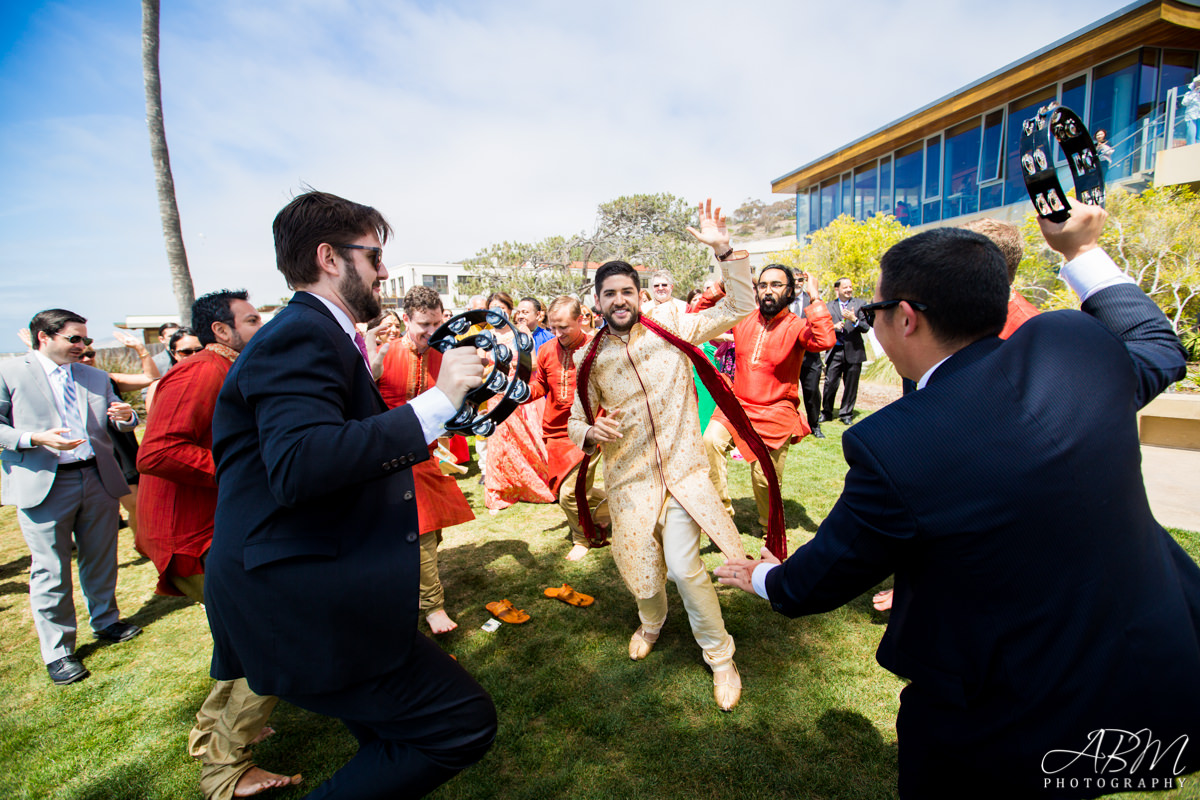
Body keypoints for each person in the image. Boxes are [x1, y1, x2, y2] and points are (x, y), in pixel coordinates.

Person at [716, 203, 1200, 798]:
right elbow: (1156, 343)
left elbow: (819, 581)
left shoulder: (897, 444)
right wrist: (1080, 251)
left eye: (875, 311)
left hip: (1006, 722)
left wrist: (765, 577)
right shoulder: (1074, 345)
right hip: (1149, 675)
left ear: (908, 318)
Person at [205, 190, 496, 798]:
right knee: (459, 722)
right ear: (329, 258)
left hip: (316, 589)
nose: (385, 271)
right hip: (299, 604)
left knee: (389, 736)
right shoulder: (300, 336)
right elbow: (302, 463)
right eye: (375, 255)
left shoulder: (319, 333)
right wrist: (438, 402)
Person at [568, 198, 753, 711]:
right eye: (610, 294)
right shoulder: (590, 357)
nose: (620, 300)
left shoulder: (672, 322)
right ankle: (652, 622)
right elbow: (573, 422)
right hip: (628, 482)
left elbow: (738, 307)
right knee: (640, 570)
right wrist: (591, 432)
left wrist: (726, 251)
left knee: (684, 567)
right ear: (598, 301)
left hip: (683, 474)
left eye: (628, 291)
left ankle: (720, 657)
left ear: (640, 294)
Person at [136, 291, 293, 799]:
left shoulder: (227, 369)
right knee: (276, 639)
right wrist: (241, 473)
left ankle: (210, 736)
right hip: (194, 537)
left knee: (241, 641)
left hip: (212, 534)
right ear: (221, 332)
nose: (261, 326)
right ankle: (227, 768)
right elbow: (157, 451)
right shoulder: (202, 371)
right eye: (251, 320)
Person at [0, 309, 142, 685]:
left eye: (86, 340)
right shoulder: (9, 372)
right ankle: (60, 651)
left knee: (101, 557)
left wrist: (127, 416)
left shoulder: (95, 376)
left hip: (96, 478)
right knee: (51, 569)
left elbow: (123, 422)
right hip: (44, 482)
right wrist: (34, 438)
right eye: (75, 339)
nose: (84, 346)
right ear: (44, 337)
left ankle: (106, 620)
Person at [702, 264, 835, 532]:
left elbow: (824, 340)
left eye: (776, 285)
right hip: (737, 404)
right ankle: (722, 512)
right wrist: (719, 288)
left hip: (776, 410)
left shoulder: (797, 327)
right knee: (710, 441)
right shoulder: (744, 318)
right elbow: (698, 317)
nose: (768, 291)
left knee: (765, 478)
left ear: (790, 292)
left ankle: (769, 525)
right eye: (763, 285)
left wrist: (815, 297)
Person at [377, 285, 475, 634]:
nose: (432, 333)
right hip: (388, 461)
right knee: (423, 533)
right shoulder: (382, 355)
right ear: (406, 319)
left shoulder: (442, 354)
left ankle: (413, 590)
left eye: (437, 323)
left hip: (428, 457)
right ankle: (433, 606)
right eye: (424, 326)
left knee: (430, 532)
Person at [526, 295, 610, 561]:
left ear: (580, 320)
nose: (558, 333)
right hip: (554, 433)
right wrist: (520, 392)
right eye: (553, 327)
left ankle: (582, 538)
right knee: (566, 488)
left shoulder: (599, 349)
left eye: (564, 327)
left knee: (569, 495)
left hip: (587, 432)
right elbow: (541, 386)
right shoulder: (546, 350)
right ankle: (613, 503)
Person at [482, 292, 555, 512]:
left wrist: (512, 365)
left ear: (509, 310)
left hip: (519, 393)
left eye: (502, 308)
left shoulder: (520, 332)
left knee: (527, 440)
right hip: (495, 395)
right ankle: (498, 489)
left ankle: (537, 485)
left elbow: (533, 363)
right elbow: (481, 364)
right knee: (498, 444)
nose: (498, 312)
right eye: (493, 308)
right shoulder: (486, 336)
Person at [821, 278, 870, 425]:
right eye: (845, 287)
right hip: (835, 350)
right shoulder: (829, 306)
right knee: (830, 384)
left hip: (854, 350)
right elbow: (823, 327)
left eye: (850, 287)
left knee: (851, 384)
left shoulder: (860, 305)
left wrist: (854, 319)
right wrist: (833, 327)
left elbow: (866, 327)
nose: (849, 289)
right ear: (837, 289)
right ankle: (827, 412)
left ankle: (846, 414)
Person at [790, 271, 829, 439]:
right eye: (795, 280)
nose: (798, 283)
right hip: (788, 356)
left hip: (810, 357)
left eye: (801, 280)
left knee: (812, 392)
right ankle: (789, 425)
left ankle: (814, 425)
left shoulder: (812, 301)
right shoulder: (783, 300)